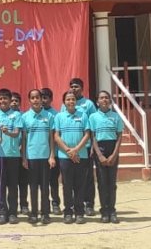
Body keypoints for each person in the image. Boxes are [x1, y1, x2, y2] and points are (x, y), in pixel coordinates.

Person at [54, 90, 92, 224]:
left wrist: (76, 150)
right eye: (68, 99)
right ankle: (68, 212)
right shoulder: (59, 117)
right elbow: (56, 136)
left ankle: (79, 212)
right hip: (64, 157)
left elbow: (87, 134)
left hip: (81, 155)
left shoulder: (83, 115)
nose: (71, 101)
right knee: (67, 185)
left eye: (73, 99)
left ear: (76, 102)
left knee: (80, 185)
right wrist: (68, 151)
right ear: (64, 102)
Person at [62, 78, 97, 216]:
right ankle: (71, 206)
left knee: (87, 178)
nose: (73, 88)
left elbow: (92, 126)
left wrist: (93, 145)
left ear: (82, 88)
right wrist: (69, 150)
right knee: (69, 180)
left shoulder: (88, 104)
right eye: (71, 86)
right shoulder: (65, 104)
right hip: (68, 151)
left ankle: (89, 204)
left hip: (85, 148)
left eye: (76, 86)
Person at [21, 89, 55, 225]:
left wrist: (52, 155)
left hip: (45, 157)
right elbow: (24, 139)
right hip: (31, 157)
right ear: (29, 100)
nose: (35, 100)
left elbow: (51, 138)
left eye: (37, 97)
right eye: (33, 98)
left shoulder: (49, 116)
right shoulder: (25, 117)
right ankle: (34, 213)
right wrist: (24, 158)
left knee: (45, 187)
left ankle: (45, 213)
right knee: (33, 187)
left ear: (41, 99)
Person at [0, 88, 22, 224]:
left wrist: (7, 133)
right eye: (0, 98)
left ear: (10, 100)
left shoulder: (16, 115)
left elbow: (17, 133)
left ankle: (13, 213)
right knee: (0, 184)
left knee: (13, 184)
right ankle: (2, 211)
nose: (3, 101)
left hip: (13, 154)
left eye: (5, 98)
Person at [89, 91, 124, 223]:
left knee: (112, 183)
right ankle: (104, 211)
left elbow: (119, 136)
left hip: (112, 148)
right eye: (101, 98)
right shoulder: (93, 117)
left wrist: (114, 154)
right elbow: (92, 136)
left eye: (106, 98)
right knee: (102, 182)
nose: (104, 100)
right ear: (97, 102)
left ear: (110, 101)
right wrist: (99, 155)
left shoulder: (116, 116)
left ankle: (112, 211)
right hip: (100, 149)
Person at [40, 88, 61, 212]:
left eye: (45, 98)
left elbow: (57, 134)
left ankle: (55, 203)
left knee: (53, 180)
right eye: (41, 98)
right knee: (43, 181)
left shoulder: (56, 115)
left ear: (51, 99)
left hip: (54, 153)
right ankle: (45, 204)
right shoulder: (37, 113)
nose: (43, 101)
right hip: (40, 154)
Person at [10, 92, 30, 215]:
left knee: (23, 181)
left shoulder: (24, 117)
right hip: (10, 154)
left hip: (22, 154)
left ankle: (24, 205)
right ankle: (12, 206)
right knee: (12, 182)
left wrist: (22, 147)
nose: (14, 103)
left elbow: (25, 135)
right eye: (12, 100)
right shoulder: (5, 116)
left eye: (16, 101)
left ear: (20, 103)